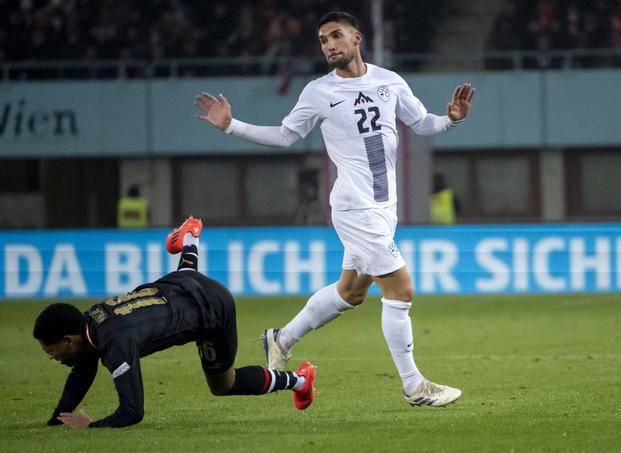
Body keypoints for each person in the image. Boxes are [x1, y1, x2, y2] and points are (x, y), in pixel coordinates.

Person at [195, 11, 475, 407]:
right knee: (401, 288)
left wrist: (450, 119)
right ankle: (414, 386)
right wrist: (231, 126)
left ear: (356, 37)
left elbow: (422, 122)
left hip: (383, 207)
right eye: (323, 40)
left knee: (352, 291)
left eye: (336, 36)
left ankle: (282, 338)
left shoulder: (389, 81)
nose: (329, 45)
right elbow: (285, 135)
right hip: (353, 206)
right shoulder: (317, 92)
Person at [33, 216, 316, 429]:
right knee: (186, 279)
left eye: (51, 351)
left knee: (223, 384)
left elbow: (132, 412)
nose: (53, 357)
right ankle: (190, 240)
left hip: (212, 309)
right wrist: (56, 420)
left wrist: (92, 426)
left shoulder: (115, 343)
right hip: (177, 286)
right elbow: (82, 372)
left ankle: (301, 381)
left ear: (69, 340)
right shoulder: (91, 322)